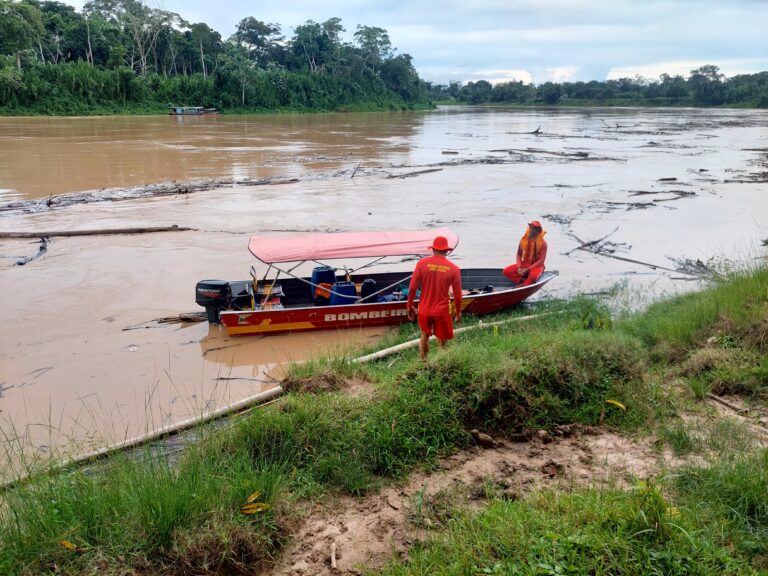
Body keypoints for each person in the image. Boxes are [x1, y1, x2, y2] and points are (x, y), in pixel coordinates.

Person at [407, 235, 462, 360]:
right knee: (442, 342)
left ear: (433, 249)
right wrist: (458, 312)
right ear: (447, 251)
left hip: (424, 309)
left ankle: (423, 364)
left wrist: (409, 307)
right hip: (442, 311)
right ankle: (441, 366)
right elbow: (458, 295)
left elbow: (411, 288)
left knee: (424, 335)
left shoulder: (422, 264)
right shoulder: (454, 269)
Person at [503, 220, 547, 286]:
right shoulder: (523, 240)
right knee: (506, 271)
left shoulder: (543, 243)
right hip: (525, 264)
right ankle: (522, 281)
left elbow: (541, 261)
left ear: (539, 230)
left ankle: (524, 285)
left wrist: (528, 269)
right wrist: (519, 267)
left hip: (537, 266)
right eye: (531, 228)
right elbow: (518, 254)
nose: (533, 230)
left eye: (535, 229)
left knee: (533, 276)